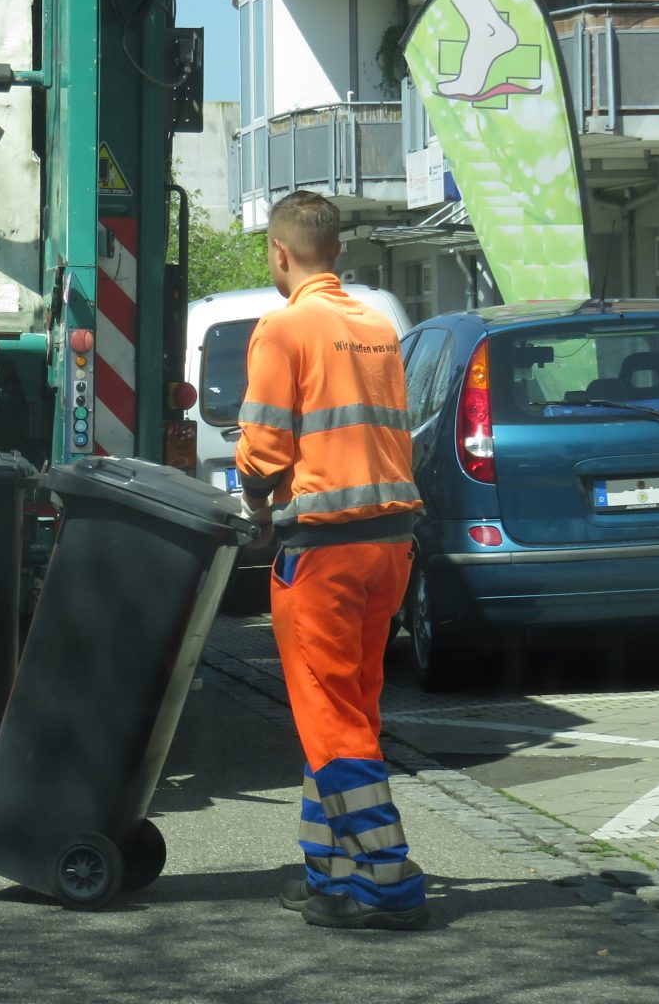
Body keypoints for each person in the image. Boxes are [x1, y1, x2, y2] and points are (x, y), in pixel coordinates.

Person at [235, 191, 428, 932]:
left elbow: (264, 446)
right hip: (390, 547)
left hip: (324, 549)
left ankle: (384, 882)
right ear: (336, 253)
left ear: (279, 254)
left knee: (330, 717)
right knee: (349, 711)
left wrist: (252, 499)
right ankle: (329, 873)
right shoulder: (375, 326)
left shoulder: (285, 329)